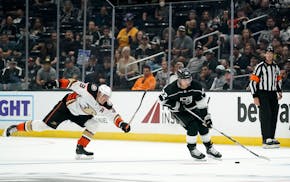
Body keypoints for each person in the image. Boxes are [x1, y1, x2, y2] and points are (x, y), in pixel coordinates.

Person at [3, 79, 131, 159]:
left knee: (94, 125)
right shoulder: (89, 89)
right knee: (42, 126)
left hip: (81, 114)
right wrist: (55, 83)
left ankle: (80, 147)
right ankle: (16, 128)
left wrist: (123, 125)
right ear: (99, 92)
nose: (105, 99)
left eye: (107, 97)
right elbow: (72, 83)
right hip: (66, 107)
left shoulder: (106, 105)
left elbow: (115, 116)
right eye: (103, 96)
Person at [158, 68, 222, 160]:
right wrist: (176, 105)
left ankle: (209, 148)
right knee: (193, 126)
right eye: (185, 80)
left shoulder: (196, 86)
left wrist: (206, 117)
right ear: (179, 79)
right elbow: (161, 100)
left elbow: (202, 102)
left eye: (189, 79)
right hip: (179, 112)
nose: (188, 82)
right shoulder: (170, 89)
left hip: (193, 108)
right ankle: (192, 149)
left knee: (203, 125)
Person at [249, 45, 282, 149]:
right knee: (265, 115)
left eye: (271, 53)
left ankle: (271, 137)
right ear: (265, 55)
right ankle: (265, 138)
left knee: (274, 115)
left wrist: (279, 91)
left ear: (273, 55)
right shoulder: (260, 66)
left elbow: (278, 79)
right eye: (267, 53)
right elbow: (253, 82)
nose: (269, 55)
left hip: (272, 93)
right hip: (262, 93)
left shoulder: (276, 67)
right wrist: (255, 96)